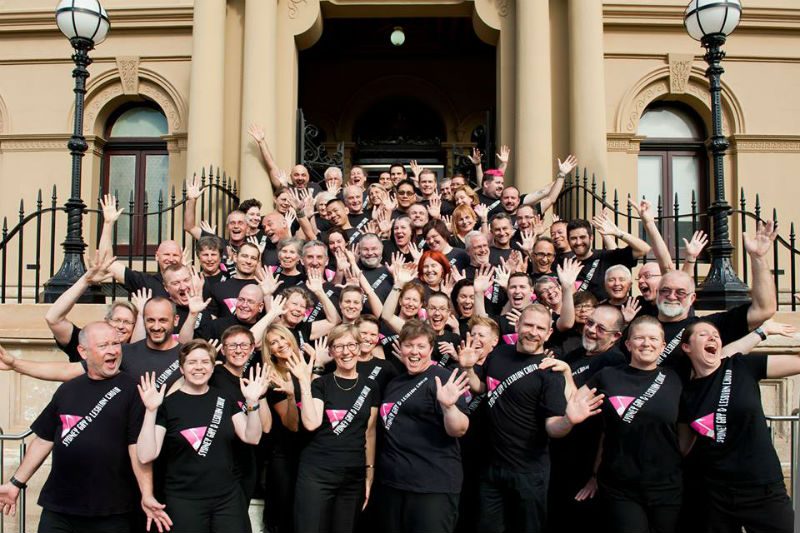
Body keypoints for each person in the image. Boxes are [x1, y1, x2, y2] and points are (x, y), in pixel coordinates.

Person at [0, 322, 170, 533]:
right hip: (59, 509)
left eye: (116, 343)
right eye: (103, 345)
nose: (112, 350)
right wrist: (15, 483)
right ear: (83, 351)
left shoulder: (133, 390)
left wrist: (147, 494)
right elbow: (44, 439)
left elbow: (136, 448)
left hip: (111, 513)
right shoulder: (67, 390)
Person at [459, 304, 603, 533]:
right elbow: (483, 388)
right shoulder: (498, 354)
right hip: (491, 468)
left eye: (540, 328)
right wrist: (467, 369)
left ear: (548, 333)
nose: (533, 332)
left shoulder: (550, 372)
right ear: (517, 325)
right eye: (528, 325)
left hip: (529, 473)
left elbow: (553, 428)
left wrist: (569, 420)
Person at [136, 339, 269, 533]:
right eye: (192, 362)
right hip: (183, 500)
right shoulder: (166, 405)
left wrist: (252, 401)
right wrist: (150, 410)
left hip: (227, 499)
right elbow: (146, 455)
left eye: (205, 362)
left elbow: (252, 437)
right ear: (182, 369)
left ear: (212, 367)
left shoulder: (225, 398)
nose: (199, 367)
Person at [680, 321, 799, 533]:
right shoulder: (685, 393)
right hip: (714, 493)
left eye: (716, 335)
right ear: (686, 347)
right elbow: (683, 446)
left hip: (762, 486)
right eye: (703, 334)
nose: (712, 338)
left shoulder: (741, 366)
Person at [579, 316, 685, 533]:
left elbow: (685, 431)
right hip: (621, 486)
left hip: (666, 486)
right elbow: (574, 403)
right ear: (627, 344)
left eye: (653, 338)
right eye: (639, 338)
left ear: (663, 345)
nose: (646, 343)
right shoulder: (607, 376)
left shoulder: (676, 379)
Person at [375, 320, 471, 533]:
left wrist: (448, 407)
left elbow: (460, 428)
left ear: (430, 349)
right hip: (392, 485)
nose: (414, 352)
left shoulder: (442, 379)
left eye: (421, 346)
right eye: (409, 345)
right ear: (401, 348)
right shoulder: (394, 383)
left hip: (432, 487)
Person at [287, 324, 379, 533]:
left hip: (353, 476)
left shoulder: (371, 386)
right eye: (338, 347)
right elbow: (311, 423)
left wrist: (369, 474)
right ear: (331, 352)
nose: (346, 352)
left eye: (351, 345)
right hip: (317, 474)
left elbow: (370, 433)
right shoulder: (321, 384)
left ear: (359, 347)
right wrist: (304, 381)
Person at [45, 250, 137, 362]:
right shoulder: (86, 341)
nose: (121, 326)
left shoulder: (137, 353)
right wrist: (85, 281)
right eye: (117, 320)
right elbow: (53, 319)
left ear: (135, 327)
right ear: (106, 321)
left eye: (127, 322)